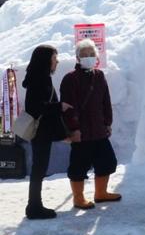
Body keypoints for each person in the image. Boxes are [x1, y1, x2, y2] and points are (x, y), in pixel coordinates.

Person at [59, 39, 121, 209]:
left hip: (99, 130)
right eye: (84, 55)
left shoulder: (99, 75)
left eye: (91, 54)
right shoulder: (70, 78)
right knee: (79, 166)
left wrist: (108, 122)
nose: (88, 57)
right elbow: (68, 107)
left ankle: (101, 193)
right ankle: (78, 198)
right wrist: (73, 129)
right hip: (81, 132)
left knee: (107, 161)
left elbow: (105, 101)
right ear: (77, 58)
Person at [21, 44, 71, 219]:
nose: (56, 62)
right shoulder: (38, 80)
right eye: (54, 59)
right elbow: (35, 107)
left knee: (39, 168)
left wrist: (62, 134)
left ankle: (34, 205)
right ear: (45, 61)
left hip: (42, 131)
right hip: (40, 132)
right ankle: (34, 207)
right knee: (38, 169)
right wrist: (60, 106)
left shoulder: (39, 77)